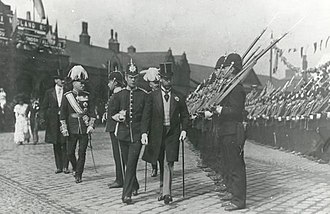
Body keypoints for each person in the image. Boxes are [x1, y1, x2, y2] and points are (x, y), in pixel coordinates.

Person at [142, 62, 190, 205]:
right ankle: (163, 189)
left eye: (170, 78)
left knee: (168, 161)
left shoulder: (178, 96)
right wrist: (144, 132)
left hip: (172, 133)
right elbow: (146, 115)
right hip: (157, 133)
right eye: (165, 78)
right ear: (160, 79)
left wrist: (184, 129)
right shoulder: (152, 96)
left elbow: (185, 115)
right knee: (159, 160)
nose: (168, 81)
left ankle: (167, 193)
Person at [205, 53, 247, 211]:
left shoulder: (236, 88)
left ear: (232, 68)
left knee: (236, 166)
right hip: (226, 131)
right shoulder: (230, 86)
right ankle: (232, 193)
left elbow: (236, 111)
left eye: (227, 66)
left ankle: (239, 200)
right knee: (229, 165)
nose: (223, 70)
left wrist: (219, 109)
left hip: (232, 132)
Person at [109, 60, 150, 204]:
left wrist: (145, 133)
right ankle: (135, 184)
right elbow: (111, 113)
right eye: (130, 77)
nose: (133, 80)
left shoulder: (144, 95)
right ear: (126, 77)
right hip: (122, 135)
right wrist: (118, 117)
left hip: (137, 136)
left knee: (132, 163)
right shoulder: (119, 95)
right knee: (127, 163)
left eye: (135, 77)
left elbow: (146, 117)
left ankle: (126, 195)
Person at [60, 65, 96, 183]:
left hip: (84, 128)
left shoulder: (87, 96)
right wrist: (64, 128)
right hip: (71, 128)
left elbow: (92, 112)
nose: (82, 84)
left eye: (83, 82)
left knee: (82, 152)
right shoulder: (67, 97)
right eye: (80, 82)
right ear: (73, 82)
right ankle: (75, 167)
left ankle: (79, 174)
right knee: (70, 152)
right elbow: (63, 114)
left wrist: (91, 125)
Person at [41, 75, 70, 174]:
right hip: (53, 121)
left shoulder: (67, 91)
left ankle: (66, 166)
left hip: (64, 121)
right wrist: (44, 118)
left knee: (65, 142)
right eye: (60, 79)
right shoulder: (49, 92)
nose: (63, 81)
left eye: (64, 79)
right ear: (55, 80)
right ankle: (59, 166)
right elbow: (44, 106)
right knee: (56, 143)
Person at [105, 70, 125, 188]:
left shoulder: (118, 95)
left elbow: (119, 112)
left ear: (114, 81)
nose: (108, 84)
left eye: (109, 81)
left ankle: (120, 179)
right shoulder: (115, 94)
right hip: (114, 128)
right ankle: (119, 178)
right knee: (117, 154)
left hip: (117, 128)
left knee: (119, 154)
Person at [140, 67, 161, 177]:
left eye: (157, 82)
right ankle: (154, 167)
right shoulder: (148, 96)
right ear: (150, 84)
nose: (156, 85)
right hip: (152, 125)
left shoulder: (162, 94)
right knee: (152, 148)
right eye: (154, 83)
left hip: (161, 123)